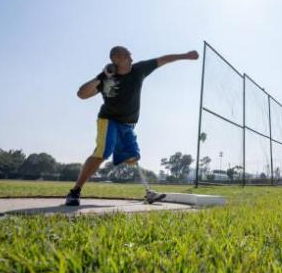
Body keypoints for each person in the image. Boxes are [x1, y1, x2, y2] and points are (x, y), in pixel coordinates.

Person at [65, 46, 199, 206]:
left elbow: (163, 59)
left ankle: (148, 193)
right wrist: (102, 76)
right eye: (127, 56)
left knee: (132, 158)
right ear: (116, 59)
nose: (132, 59)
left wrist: (185, 55)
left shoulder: (139, 69)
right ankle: (75, 192)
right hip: (108, 120)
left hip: (128, 125)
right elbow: (82, 94)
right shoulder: (106, 77)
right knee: (102, 152)